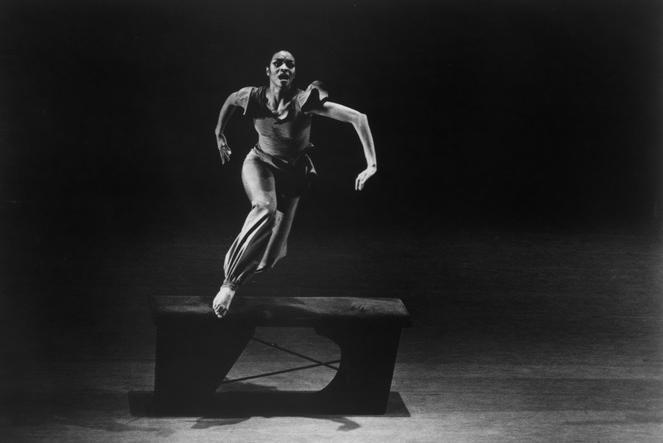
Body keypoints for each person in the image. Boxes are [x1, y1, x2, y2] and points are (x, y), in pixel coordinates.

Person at [212, 50, 377, 318]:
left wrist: (372, 164)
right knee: (264, 208)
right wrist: (219, 133)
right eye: (278, 63)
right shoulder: (252, 97)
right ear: (268, 70)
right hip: (260, 163)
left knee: (269, 260)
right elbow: (231, 101)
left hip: (294, 176)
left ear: (294, 72)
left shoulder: (305, 102)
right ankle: (229, 285)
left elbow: (359, 118)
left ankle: (240, 276)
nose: (284, 67)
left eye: (290, 64)